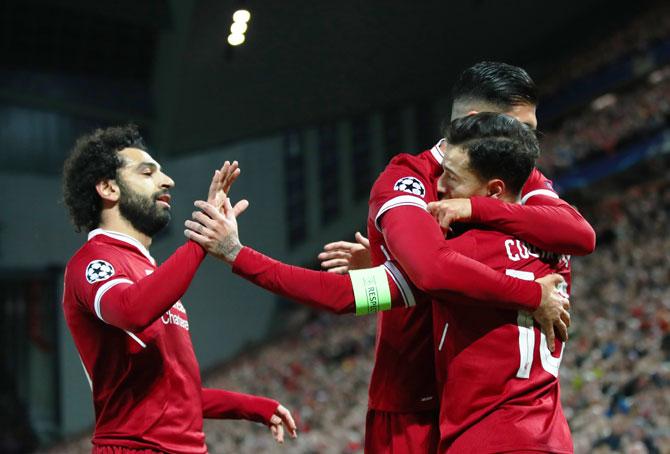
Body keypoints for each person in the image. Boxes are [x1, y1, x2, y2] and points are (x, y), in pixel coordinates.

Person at [184, 114, 573, 453]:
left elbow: (339, 295)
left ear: (492, 192)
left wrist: (236, 253)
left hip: (486, 441)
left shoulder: (459, 255)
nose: (438, 189)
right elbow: (581, 234)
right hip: (551, 438)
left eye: (452, 180)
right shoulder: (557, 246)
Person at [314, 61, 594, 452]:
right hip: (413, 406)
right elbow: (429, 270)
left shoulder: (518, 175)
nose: (531, 145)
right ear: (479, 121)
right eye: (522, 129)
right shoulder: (407, 177)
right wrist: (531, 294)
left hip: (486, 409)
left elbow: (579, 235)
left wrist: (477, 209)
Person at [61, 125, 296, 453]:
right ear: (107, 188)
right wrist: (203, 236)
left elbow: (175, 394)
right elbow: (131, 310)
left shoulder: (151, 272)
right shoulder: (92, 262)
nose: (167, 180)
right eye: (147, 172)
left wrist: (255, 407)